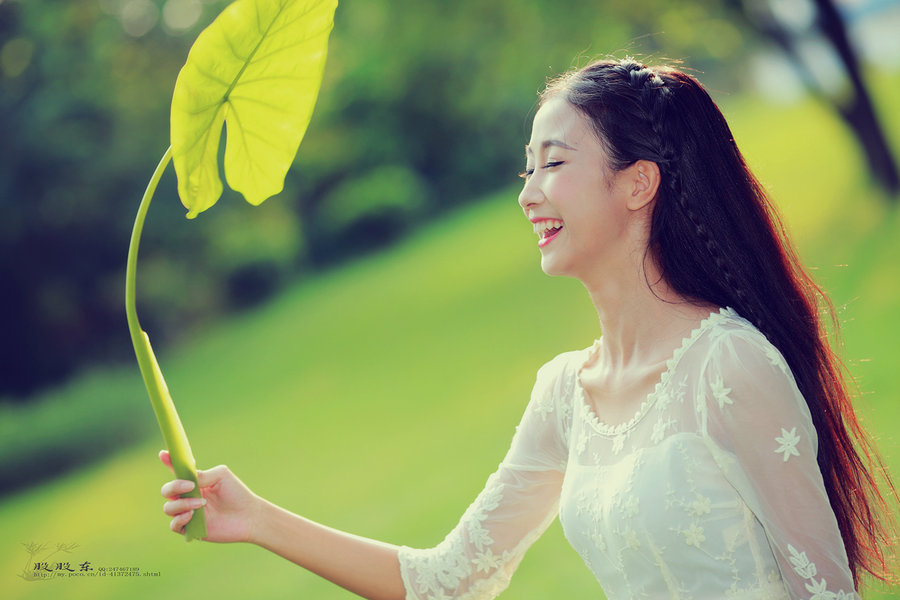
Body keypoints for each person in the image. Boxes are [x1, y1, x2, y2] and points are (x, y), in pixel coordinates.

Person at [159, 57, 896, 600]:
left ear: (638, 183)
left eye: (553, 163)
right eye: (525, 170)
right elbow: (445, 582)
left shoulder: (729, 366)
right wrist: (255, 518)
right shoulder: (563, 397)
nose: (529, 194)